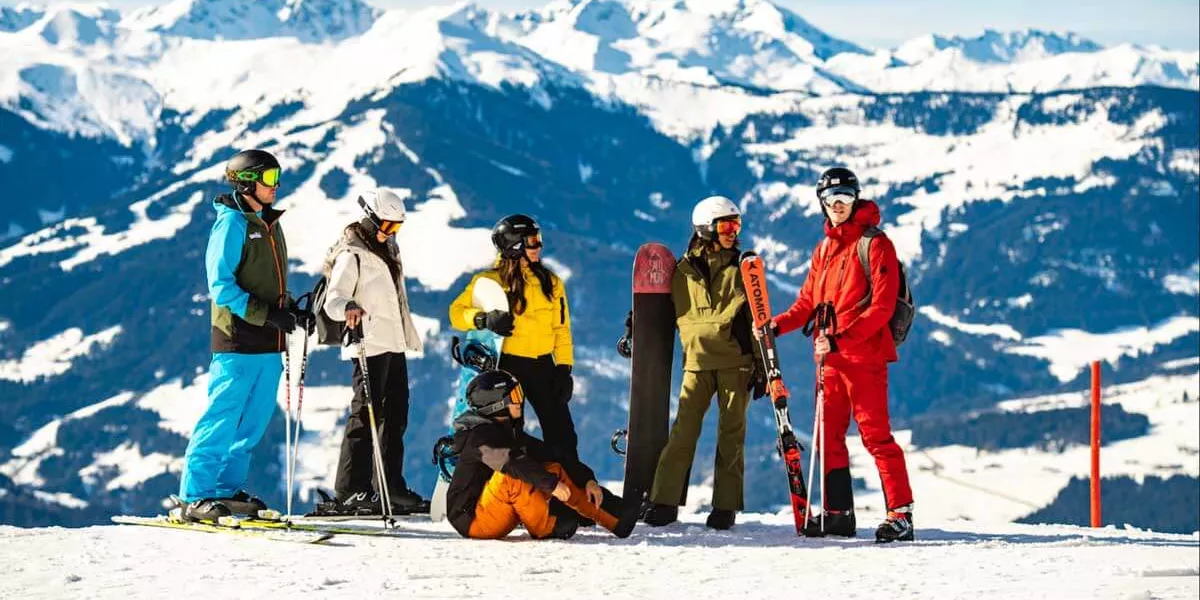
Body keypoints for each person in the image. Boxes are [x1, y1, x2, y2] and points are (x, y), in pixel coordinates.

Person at [771, 166, 915, 543]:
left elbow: (882, 308)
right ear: (821, 203)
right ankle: (838, 514)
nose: (838, 206)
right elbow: (807, 304)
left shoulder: (875, 244)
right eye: (831, 200)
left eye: (845, 199)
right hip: (829, 360)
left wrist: (841, 339)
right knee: (828, 436)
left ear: (856, 200)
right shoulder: (824, 249)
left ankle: (900, 515)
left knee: (875, 437)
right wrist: (775, 326)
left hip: (864, 358)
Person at [179, 149, 312, 521]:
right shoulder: (232, 224)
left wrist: (289, 311)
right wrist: (267, 314)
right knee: (223, 415)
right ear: (248, 182)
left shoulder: (270, 223)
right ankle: (195, 494)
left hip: (269, 341)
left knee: (253, 422)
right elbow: (220, 286)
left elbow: (269, 283)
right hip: (237, 338)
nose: (277, 186)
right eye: (270, 179)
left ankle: (224, 488)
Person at [641, 196, 766, 531]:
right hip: (695, 362)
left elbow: (758, 317)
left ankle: (725, 507)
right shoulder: (681, 271)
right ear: (705, 228)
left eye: (736, 225)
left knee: (731, 435)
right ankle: (664, 502)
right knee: (683, 432)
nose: (732, 232)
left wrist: (765, 366)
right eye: (725, 225)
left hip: (735, 363)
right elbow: (659, 308)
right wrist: (633, 326)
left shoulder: (743, 267)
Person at [311, 189, 429, 516]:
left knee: (395, 417)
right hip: (367, 344)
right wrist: (348, 306)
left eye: (397, 227)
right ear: (370, 219)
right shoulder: (352, 254)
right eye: (388, 225)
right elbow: (334, 300)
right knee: (366, 415)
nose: (392, 233)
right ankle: (350, 490)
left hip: (392, 343)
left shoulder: (388, 249)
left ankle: (388, 486)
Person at [448, 215, 579, 463]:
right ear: (514, 245)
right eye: (532, 241)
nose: (538, 246)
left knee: (563, 434)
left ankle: (570, 492)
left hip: (544, 367)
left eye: (538, 239)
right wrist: (483, 319)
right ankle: (518, 491)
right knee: (512, 435)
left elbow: (562, 329)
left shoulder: (551, 283)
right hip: (508, 368)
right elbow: (456, 313)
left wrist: (564, 367)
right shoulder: (488, 282)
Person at [446, 369, 635, 540]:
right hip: (473, 518)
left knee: (552, 468)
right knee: (513, 477)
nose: (521, 400)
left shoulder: (509, 432)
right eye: (515, 395)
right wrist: (551, 485)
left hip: (497, 505)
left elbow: (551, 454)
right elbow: (511, 462)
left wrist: (587, 479)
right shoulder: (479, 438)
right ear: (496, 404)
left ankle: (617, 518)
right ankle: (547, 527)